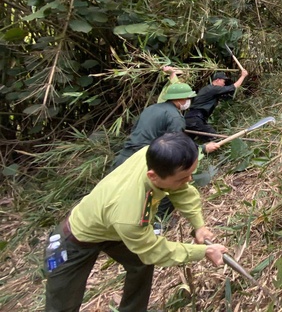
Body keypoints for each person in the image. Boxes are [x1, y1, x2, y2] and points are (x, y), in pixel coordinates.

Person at [45, 132, 227, 312]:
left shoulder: (155, 156)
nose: (188, 180)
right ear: (153, 176)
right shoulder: (130, 214)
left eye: (190, 174)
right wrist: (204, 251)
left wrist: (199, 226)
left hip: (112, 228)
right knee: (62, 306)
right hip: (75, 239)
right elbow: (154, 250)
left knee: (140, 263)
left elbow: (181, 190)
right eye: (182, 178)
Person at [112, 82, 196, 168]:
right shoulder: (175, 117)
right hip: (143, 160)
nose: (189, 101)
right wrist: (201, 148)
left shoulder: (151, 108)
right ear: (180, 98)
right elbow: (175, 145)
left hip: (125, 156)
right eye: (188, 98)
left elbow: (134, 129)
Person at [185, 68, 249, 136]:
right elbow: (233, 87)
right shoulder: (214, 89)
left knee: (188, 141)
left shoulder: (207, 89)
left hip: (190, 118)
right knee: (214, 137)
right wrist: (243, 76)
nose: (224, 84)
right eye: (223, 81)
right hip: (196, 119)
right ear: (218, 80)